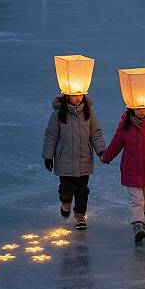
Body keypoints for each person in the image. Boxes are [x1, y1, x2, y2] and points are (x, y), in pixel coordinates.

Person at [100, 107, 145, 242]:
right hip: (131, 170)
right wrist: (107, 157)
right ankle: (137, 225)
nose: (141, 111)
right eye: (138, 108)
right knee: (136, 200)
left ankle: (144, 215)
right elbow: (117, 142)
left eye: (144, 108)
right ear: (131, 108)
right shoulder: (125, 124)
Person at [42, 93, 106, 229]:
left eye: (80, 95)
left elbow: (96, 134)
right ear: (67, 96)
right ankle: (66, 202)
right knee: (67, 190)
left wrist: (101, 151)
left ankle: (80, 215)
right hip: (65, 160)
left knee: (82, 191)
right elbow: (51, 136)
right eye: (74, 95)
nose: (78, 98)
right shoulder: (58, 114)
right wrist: (48, 156)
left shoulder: (88, 112)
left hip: (84, 160)